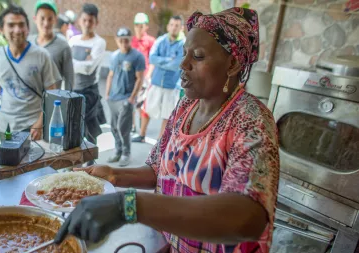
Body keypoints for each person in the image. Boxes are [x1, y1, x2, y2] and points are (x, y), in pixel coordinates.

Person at [55, 8, 279, 253]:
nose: (183, 64)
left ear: (233, 63)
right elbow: (157, 170)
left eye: (198, 56)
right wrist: (113, 175)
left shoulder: (250, 120)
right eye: (184, 53)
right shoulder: (186, 106)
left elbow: (247, 217)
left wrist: (129, 205)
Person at [0, 5, 61, 140]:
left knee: (35, 160)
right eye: (11, 25)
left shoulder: (42, 55)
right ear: (1, 29)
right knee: (8, 161)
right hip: (6, 127)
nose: (17, 30)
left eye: (21, 25)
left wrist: (40, 123)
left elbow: (52, 93)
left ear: (28, 29)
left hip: (33, 127)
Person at [132, 15, 185, 143]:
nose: (173, 28)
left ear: (182, 28)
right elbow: (152, 58)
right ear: (168, 26)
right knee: (147, 108)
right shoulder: (161, 40)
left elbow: (176, 64)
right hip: (156, 83)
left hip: (171, 86)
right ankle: (142, 134)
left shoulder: (184, 44)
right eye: (171, 25)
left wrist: (162, 61)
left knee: (167, 115)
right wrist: (168, 60)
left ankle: (159, 141)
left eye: (177, 25)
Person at [105, 27, 145, 166]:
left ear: (130, 40)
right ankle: (118, 151)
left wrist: (132, 98)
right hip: (113, 98)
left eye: (126, 40)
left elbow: (140, 79)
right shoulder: (114, 56)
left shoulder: (137, 56)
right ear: (116, 40)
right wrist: (107, 94)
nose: (123, 43)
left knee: (124, 128)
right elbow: (110, 75)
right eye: (120, 40)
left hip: (126, 98)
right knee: (114, 127)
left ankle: (126, 153)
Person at [68, 3, 107, 146]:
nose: (87, 24)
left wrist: (72, 63)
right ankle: (76, 164)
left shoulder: (99, 42)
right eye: (84, 20)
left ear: (96, 22)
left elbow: (88, 69)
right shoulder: (73, 40)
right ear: (79, 20)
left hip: (89, 92)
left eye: (91, 21)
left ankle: (91, 163)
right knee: (73, 128)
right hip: (72, 90)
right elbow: (66, 65)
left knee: (90, 131)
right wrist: (82, 62)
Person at [28, 0, 74, 91]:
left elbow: (69, 79)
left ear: (55, 20)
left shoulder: (63, 46)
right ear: (35, 19)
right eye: (42, 18)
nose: (46, 23)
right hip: (30, 102)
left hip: (52, 102)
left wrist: (68, 103)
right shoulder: (28, 43)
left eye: (50, 19)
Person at [131, 12, 156, 133]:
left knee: (142, 104)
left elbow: (153, 60)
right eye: (137, 25)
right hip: (132, 77)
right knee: (130, 102)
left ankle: (142, 130)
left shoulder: (151, 41)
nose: (139, 28)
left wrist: (148, 75)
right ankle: (132, 126)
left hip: (145, 77)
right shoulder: (132, 40)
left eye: (142, 25)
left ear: (146, 27)